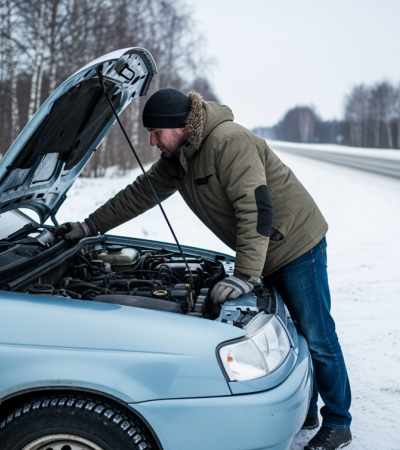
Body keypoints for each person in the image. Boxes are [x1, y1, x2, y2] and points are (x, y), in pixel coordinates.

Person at [56, 88, 353, 450]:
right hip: (265, 248)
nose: (151, 141)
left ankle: (338, 422)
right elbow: (137, 195)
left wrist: (245, 275)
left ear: (179, 126)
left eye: (156, 133)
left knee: (318, 335)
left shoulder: (229, 143)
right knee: (294, 333)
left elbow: (256, 209)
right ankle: (306, 410)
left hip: (294, 243)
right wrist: (89, 227)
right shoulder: (179, 158)